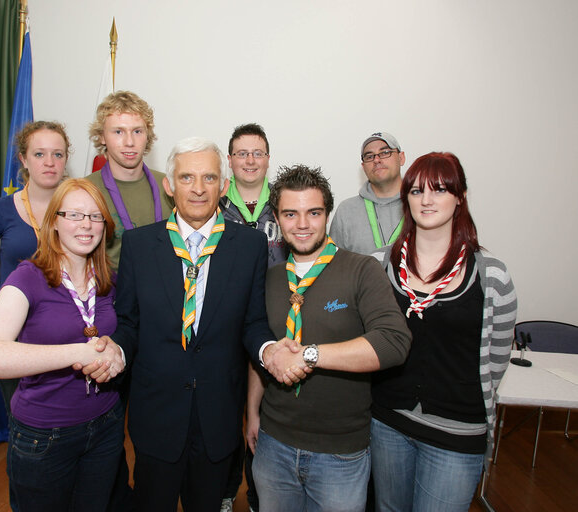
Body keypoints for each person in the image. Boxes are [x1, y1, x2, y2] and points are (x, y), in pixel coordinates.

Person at [110, 137, 299, 512]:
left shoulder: (249, 246)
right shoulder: (138, 245)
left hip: (217, 417)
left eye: (209, 178)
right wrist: (114, 349)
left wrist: (268, 349)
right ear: (169, 184)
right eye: (187, 177)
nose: (198, 188)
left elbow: (253, 322)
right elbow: (128, 322)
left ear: (223, 186)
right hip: (156, 416)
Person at [252, 165, 412, 512]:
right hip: (273, 443)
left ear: (327, 214)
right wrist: (252, 412)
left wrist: (309, 355)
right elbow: (263, 347)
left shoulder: (361, 269)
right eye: (290, 214)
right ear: (277, 219)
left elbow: (393, 342)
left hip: (340, 451)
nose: (303, 224)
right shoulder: (269, 278)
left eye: (314, 212)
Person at [369, 152, 517, 511]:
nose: (427, 200)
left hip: (456, 433)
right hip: (388, 423)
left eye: (439, 190)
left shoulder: (492, 276)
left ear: (460, 197)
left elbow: (495, 362)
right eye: (417, 191)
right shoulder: (379, 265)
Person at [0, 179, 126, 512]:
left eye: (95, 216)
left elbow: (123, 335)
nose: (86, 224)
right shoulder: (27, 277)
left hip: (106, 426)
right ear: (54, 222)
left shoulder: (108, 280)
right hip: (45, 436)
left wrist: (116, 352)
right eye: (74, 214)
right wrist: (78, 352)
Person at [0, 121, 70, 438]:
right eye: (40, 153)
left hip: (70, 335)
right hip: (16, 338)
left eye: (58, 154)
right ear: (24, 159)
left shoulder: (80, 207)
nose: (50, 162)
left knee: (69, 426)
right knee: (26, 430)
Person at [219, 122, 286, 512]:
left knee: (267, 418)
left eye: (257, 152)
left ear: (267, 159)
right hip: (226, 325)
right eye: (241, 153)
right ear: (230, 160)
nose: (249, 160)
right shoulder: (213, 200)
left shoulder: (285, 202)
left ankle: (263, 497)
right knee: (227, 415)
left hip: (275, 322)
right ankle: (227, 494)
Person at [86, 90, 173, 270]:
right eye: (118, 131)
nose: (130, 142)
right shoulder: (84, 191)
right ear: (102, 136)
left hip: (164, 291)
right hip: (109, 294)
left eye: (137, 131)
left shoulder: (169, 186)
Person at [330, 132, 405, 255]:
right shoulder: (346, 211)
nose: (376, 160)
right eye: (369, 156)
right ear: (363, 166)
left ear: (401, 158)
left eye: (385, 152)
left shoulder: (420, 205)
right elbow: (334, 266)